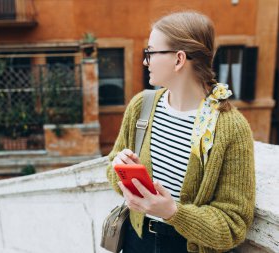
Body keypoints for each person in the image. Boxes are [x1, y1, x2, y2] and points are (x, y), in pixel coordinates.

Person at [106, 11, 255, 253]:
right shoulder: (141, 106)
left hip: (187, 247)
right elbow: (112, 163)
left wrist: (172, 212)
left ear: (178, 59)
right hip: (136, 238)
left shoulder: (232, 129)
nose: (145, 61)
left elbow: (233, 225)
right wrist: (121, 172)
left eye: (151, 52)